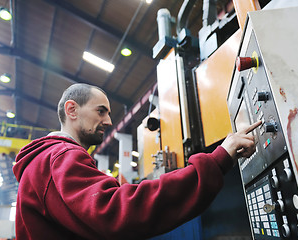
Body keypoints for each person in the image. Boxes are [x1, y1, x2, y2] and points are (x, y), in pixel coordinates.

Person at [13, 83, 261, 240]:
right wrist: (217, 161)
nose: (109, 121)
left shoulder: (44, 162)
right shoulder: (60, 158)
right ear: (72, 110)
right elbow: (119, 211)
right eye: (101, 111)